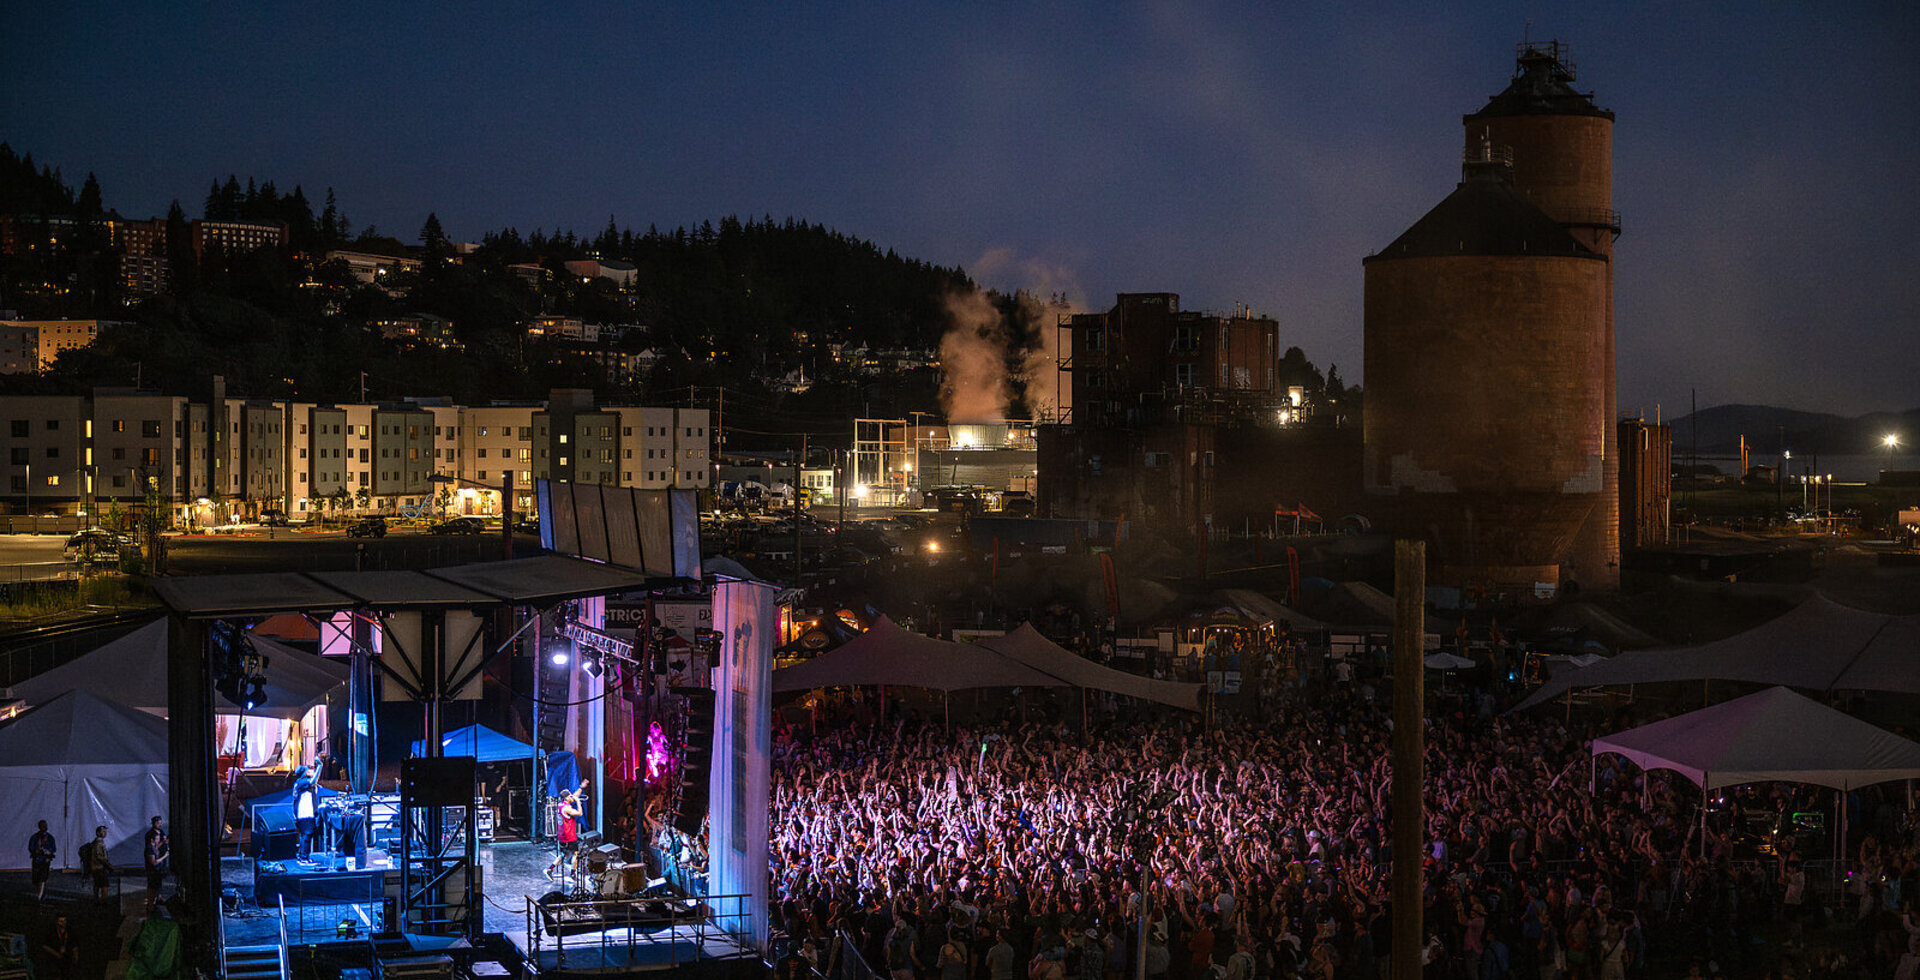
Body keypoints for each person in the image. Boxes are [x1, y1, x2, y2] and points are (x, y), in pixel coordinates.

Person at [546, 781, 586, 881]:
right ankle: (573, 874)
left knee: (564, 854)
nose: (571, 797)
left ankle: (550, 870)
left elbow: (573, 796)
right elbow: (579, 813)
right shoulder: (567, 808)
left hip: (562, 835)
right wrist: (578, 802)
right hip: (569, 835)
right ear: (566, 798)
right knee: (575, 853)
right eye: (569, 796)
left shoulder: (561, 804)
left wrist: (581, 787)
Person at [292, 765, 319, 862]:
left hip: (305, 813)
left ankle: (302, 855)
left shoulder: (301, 784)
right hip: (304, 813)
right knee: (307, 834)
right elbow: (313, 780)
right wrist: (319, 765)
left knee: (305, 835)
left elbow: (314, 781)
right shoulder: (300, 783)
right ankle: (304, 857)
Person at [40, 915, 78, 980]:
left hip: (67, 958)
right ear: (56, 922)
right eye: (61, 921)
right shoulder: (51, 931)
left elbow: (74, 945)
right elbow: (44, 945)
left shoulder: (70, 931)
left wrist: (76, 955)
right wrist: (55, 954)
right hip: (54, 959)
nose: (63, 923)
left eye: (64, 920)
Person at [143, 816, 169, 912]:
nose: (160, 825)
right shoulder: (150, 839)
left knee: (158, 882)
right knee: (152, 885)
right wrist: (162, 843)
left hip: (159, 864)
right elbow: (152, 861)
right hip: (154, 866)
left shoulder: (161, 832)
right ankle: (150, 905)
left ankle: (158, 898)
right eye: (158, 823)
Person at [80, 825, 112, 901]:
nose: (105, 833)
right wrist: (108, 865)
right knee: (104, 885)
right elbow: (99, 856)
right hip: (99, 867)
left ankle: (96, 900)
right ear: (98, 833)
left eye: (105, 831)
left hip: (95, 867)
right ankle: (103, 901)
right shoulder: (98, 843)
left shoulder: (95, 842)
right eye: (103, 831)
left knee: (97, 884)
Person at [29, 819, 56, 902]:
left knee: (43, 878)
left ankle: (39, 897)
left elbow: (53, 848)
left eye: (45, 826)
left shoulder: (50, 838)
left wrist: (49, 852)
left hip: (45, 860)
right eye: (43, 826)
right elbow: (31, 848)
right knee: (36, 879)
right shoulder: (34, 837)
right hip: (37, 860)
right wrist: (37, 850)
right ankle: (41, 893)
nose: (44, 827)